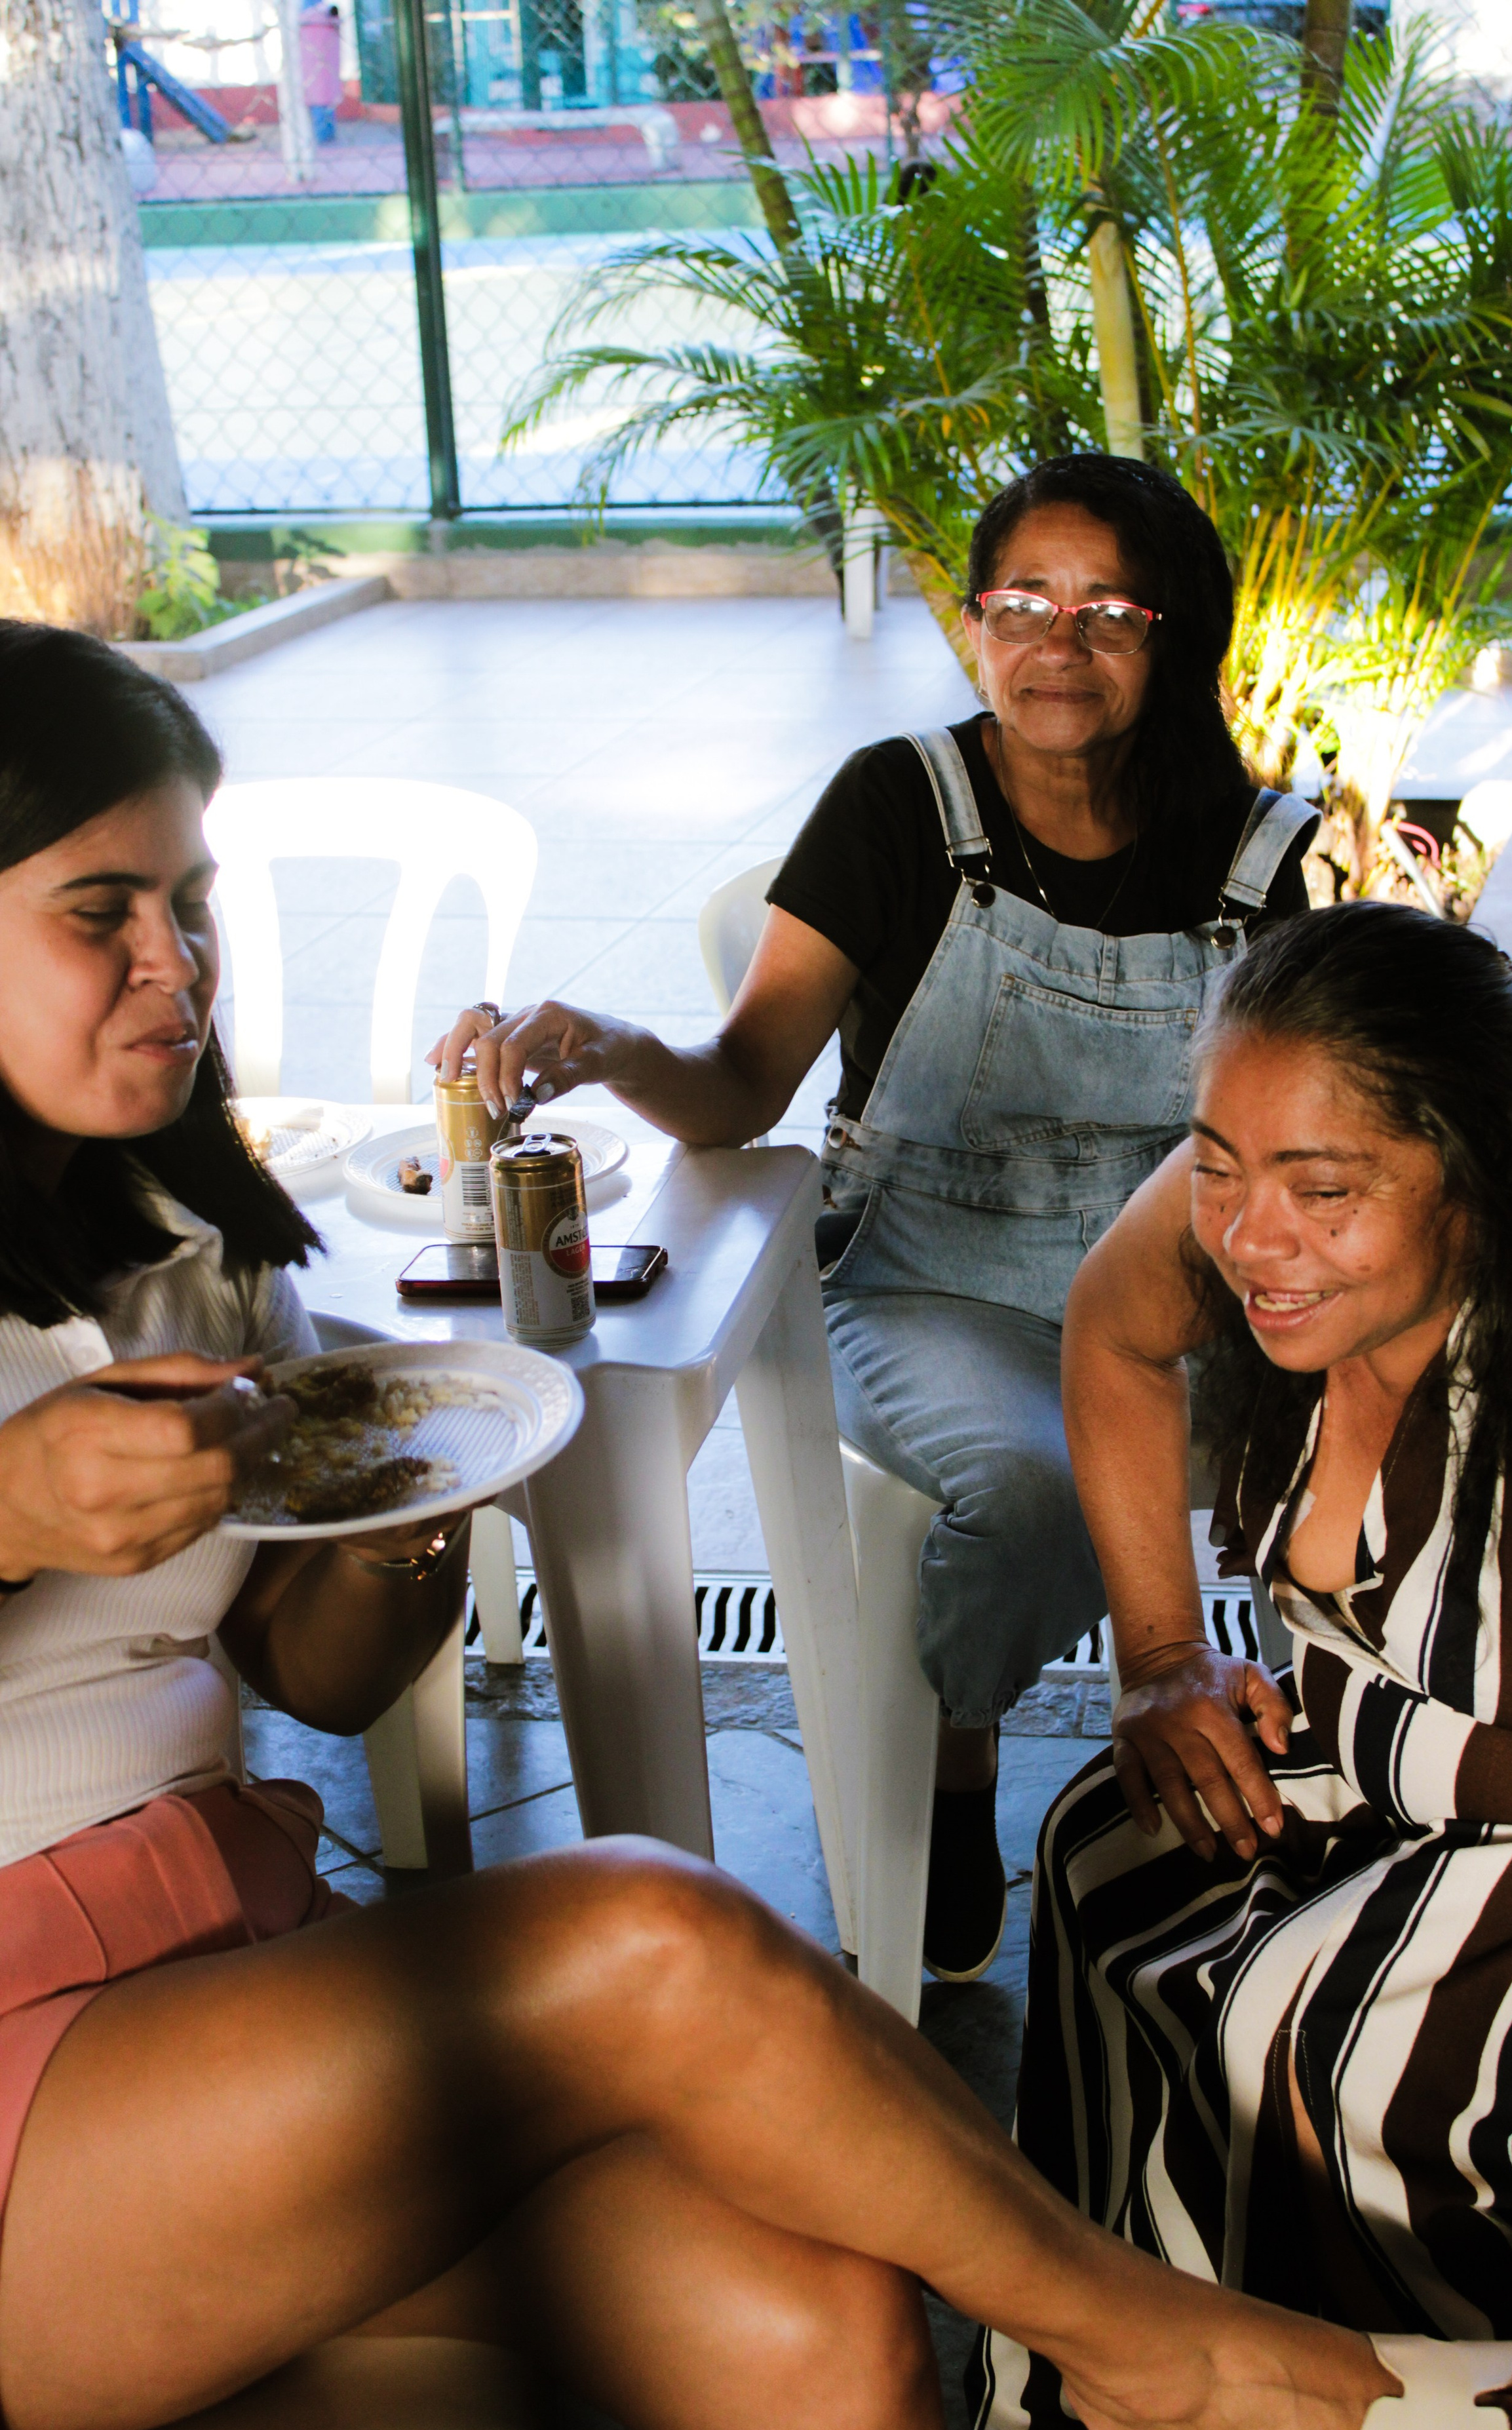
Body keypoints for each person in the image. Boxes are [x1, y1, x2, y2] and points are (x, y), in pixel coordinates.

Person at [0, 630, 1512, 2430]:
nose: (175, 964)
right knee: (643, 1929)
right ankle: (1174, 2361)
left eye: (192, 903)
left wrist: (402, 1506)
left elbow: (322, 1674)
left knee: (828, 2341)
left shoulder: (188, 1241)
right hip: (34, 2122)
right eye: (98, 912)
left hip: (221, 2011)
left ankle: (1149, 2362)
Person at [435, 452, 1317, 1983]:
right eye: (1022, 603)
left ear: (1174, 633)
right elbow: (736, 1086)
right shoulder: (900, 806)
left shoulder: (1255, 851)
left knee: (1381, 1425)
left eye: (1107, 610)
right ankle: (957, 1755)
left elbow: (1307, 1126)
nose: (1057, 643)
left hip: (1183, 1287)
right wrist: (600, 1044)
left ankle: (1340, 1767)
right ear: (973, 623)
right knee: (1032, 1488)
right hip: (928, 1279)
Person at [973, 901, 1512, 2430]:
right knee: (1110, 1851)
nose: (1246, 1236)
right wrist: (1159, 1655)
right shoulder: (1261, 1156)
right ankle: (1129, 2427)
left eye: (1323, 1192)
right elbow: (1112, 1326)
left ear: (1480, 1157)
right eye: (1218, 1166)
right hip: (1356, 1765)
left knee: (1301, 2025)